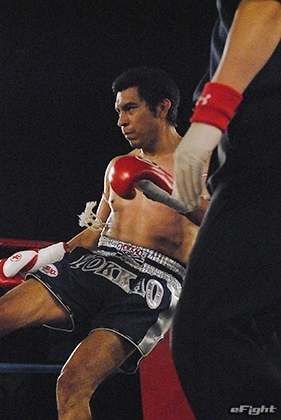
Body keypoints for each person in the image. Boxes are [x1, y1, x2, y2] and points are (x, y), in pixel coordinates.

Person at [0, 67, 207, 419]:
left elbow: (223, 225)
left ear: (163, 108)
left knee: (72, 384)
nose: (121, 121)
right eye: (118, 111)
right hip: (100, 261)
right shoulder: (119, 165)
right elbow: (95, 231)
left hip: (152, 282)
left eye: (130, 109)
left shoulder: (201, 162)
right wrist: (44, 257)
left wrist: (171, 191)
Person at [138, 1, 281, 416]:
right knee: (262, 336)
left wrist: (212, 114)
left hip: (265, 159)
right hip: (253, 167)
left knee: (209, 331)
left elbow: (267, 6)